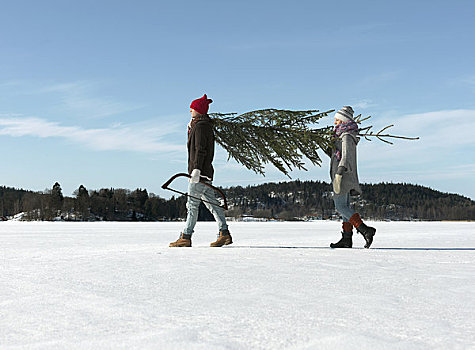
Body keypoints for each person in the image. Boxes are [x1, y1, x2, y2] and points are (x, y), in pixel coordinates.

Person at [169, 94, 232, 247]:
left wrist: (196, 169)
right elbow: (195, 146)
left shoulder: (202, 126)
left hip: (199, 173)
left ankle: (186, 236)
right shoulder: (201, 125)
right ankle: (224, 233)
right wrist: (190, 129)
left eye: (193, 108)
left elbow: (200, 149)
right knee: (212, 205)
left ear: (199, 110)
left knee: (192, 205)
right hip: (205, 172)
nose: (190, 110)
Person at [327, 106, 376, 248]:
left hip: (343, 176)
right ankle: (346, 238)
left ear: (343, 120)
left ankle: (365, 230)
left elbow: (347, 156)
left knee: (341, 206)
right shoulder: (341, 135)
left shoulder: (346, 136)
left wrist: (340, 172)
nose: (335, 123)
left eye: (337, 120)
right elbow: (338, 155)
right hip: (342, 174)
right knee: (345, 206)